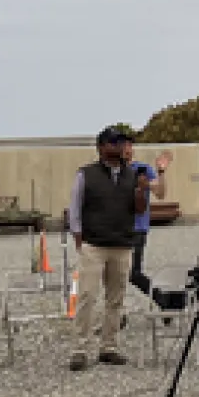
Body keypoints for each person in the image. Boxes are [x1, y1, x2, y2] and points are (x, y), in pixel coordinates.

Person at [64, 127, 151, 370]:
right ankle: (80, 349)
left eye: (123, 143)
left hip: (122, 244)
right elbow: (75, 207)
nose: (120, 147)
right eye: (115, 143)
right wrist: (78, 237)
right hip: (94, 244)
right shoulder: (86, 174)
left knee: (116, 298)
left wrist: (141, 189)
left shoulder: (132, 175)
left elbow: (140, 209)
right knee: (87, 296)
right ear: (102, 147)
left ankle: (109, 347)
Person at [122, 140, 172, 299]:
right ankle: (118, 312)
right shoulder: (114, 172)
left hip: (137, 229)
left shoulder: (142, 169)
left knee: (134, 273)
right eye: (123, 146)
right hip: (117, 229)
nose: (127, 150)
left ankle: (163, 299)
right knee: (116, 273)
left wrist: (161, 172)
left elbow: (160, 193)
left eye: (129, 146)